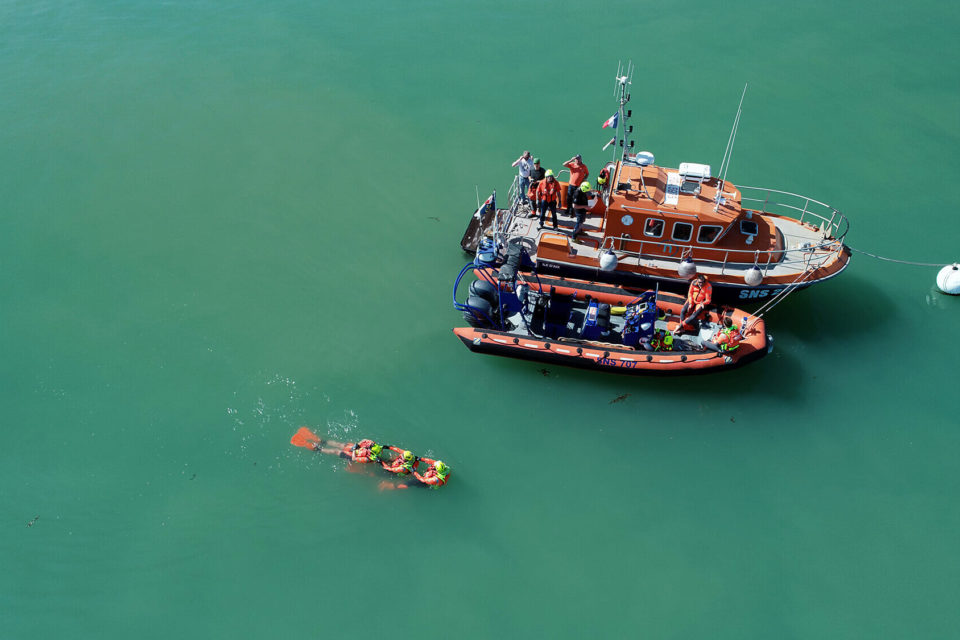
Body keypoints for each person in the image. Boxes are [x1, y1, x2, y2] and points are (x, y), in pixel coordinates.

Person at [314, 437, 384, 463]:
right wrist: (358, 445)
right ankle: (323, 442)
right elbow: (365, 439)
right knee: (340, 445)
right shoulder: (374, 445)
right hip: (356, 448)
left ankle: (318, 449)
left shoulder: (367, 458)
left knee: (336, 451)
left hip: (352, 455)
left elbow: (354, 459)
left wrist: (353, 450)